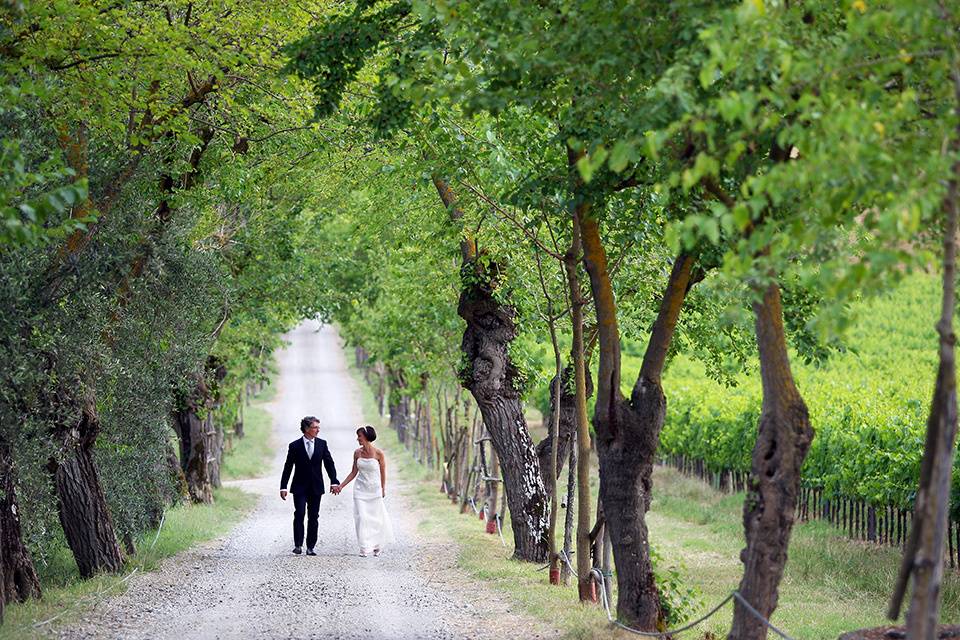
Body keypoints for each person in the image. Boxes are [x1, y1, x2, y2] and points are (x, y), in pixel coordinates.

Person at [280, 416, 339, 556]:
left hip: (316, 487)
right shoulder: (294, 446)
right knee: (299, 513)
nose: (318, 430)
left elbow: (329, 464)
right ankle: (298, 545)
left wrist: (334, 480)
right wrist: (283, 486)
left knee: (313, 516)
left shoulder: (322, 444)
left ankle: (310, 546)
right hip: (299, 486)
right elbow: (288, 467)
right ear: (307, 429)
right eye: (315, 427)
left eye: (318, 427)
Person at [331, 426, 394, 556]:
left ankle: (376, 544)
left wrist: (383, 488)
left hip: (374, 489)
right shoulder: (357, 453)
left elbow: (383, 472)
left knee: (375, 518)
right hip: (360, 489)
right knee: (362, 517)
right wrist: (341, 486)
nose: (357, 439)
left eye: (359, 436)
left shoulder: (378, 454)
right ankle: (365, 547)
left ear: (366, 437)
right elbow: (353, 472)